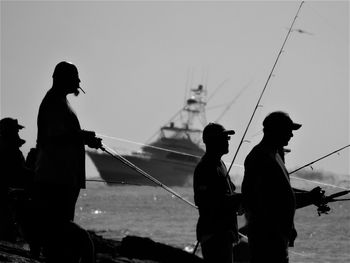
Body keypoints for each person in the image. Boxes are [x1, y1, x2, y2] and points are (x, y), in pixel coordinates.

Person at [34, 61, 102, 262]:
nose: (79, 81)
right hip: (55, 178)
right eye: (75, 78)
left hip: (63, 178)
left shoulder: (60, 101)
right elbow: (57, 137)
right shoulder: (54, 102)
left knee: (59, 229)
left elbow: (65, 134)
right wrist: (83, 138)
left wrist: (83, 136)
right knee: (58, 226)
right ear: (63, 79)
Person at [242, 111, 324, 263]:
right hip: (267, 240)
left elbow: (280, 194)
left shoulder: (275, 155)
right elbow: (264, 200)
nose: (291, 135)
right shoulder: (260, 157)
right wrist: (307, 198)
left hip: (278, 239)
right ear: (275, 130)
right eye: (288, 130)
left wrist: (309, 197)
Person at [193, 122, 242, 263]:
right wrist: (236, 200)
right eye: (224, 137)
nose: (227, 141)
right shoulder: (205, 167)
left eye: (228, 138)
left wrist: (238, 203)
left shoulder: (220, 164)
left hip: (225, 233)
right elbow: (205, 202)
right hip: (214, 234)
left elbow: (229, 191)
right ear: (212, 141)